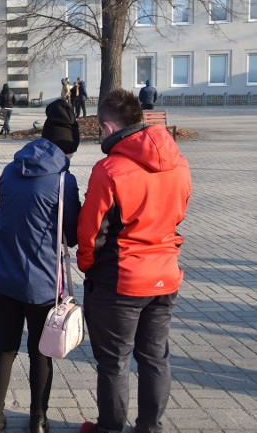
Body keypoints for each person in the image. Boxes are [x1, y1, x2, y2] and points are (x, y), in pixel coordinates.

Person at [77, 89, 191, 433]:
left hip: (122, 279)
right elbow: (179, 213)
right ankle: (150, 427)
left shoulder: (110, 169)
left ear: (107, 125)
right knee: (155, 357)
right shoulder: (179, 161)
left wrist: (87, 265)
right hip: (165, 274)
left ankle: (110, 428)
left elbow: (90, 232)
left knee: (114, 362)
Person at [0, 99, 81, 433]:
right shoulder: (65, 181)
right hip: (42, 281)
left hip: (2, 273)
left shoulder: (10, 169)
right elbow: (71, 235)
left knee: (5, 346)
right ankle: (38, 419)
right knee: (41, 352)